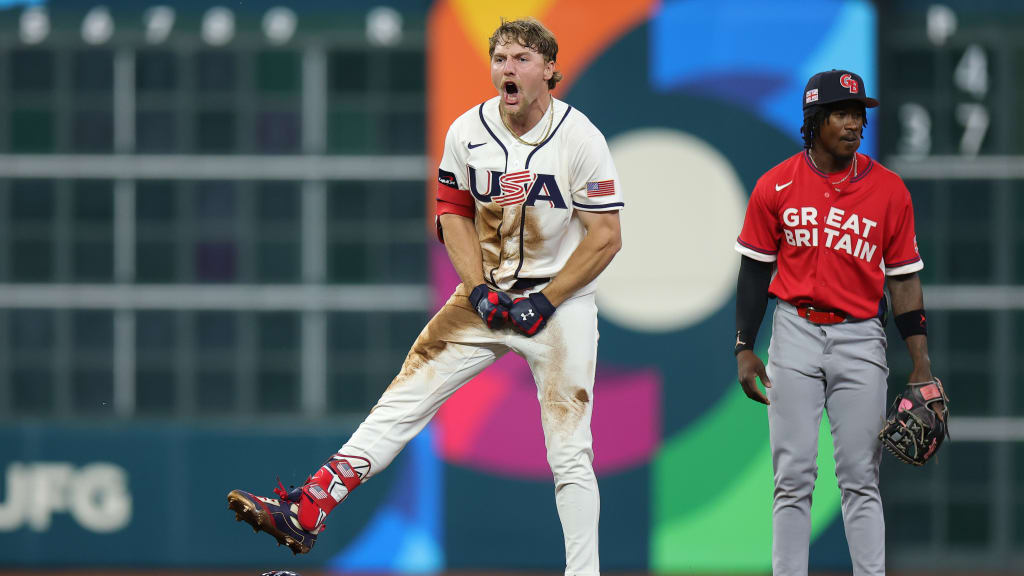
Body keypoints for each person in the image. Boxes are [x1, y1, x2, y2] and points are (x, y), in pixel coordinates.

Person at [228, 18, 623, 576]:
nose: (507, 69)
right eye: (501, 58)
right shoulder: (469, 130)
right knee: (400, 403)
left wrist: (550, 299)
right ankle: (307, 508)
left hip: (559, 304)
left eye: (522, 59)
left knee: (569, 453)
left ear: (550, 71)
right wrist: (479, 289)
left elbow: (606, 237)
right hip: (484, 297)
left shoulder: (580, 139)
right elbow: (453, 213)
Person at [732, 69, 945, 576]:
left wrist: (921, 363)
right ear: (814, 120)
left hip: (860, 336)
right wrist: (744, 344)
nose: (854, 124)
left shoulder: (890, 191)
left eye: (858, 114)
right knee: (793, 476)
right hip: (795, 331)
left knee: (860, 476)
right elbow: (755, 269)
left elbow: (904, 283)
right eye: (841, 114)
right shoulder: (776, 184)